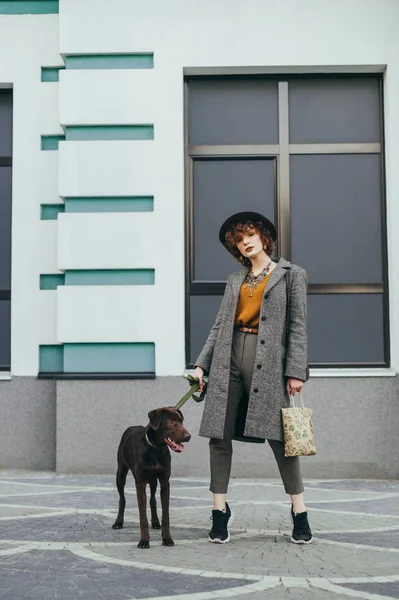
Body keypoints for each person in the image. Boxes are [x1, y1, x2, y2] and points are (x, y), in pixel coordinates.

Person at [193, 211, 312, 545]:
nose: (244, 242)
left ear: (263, 237)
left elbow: (298, 326)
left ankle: (299, 512)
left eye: (249, 235)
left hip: (270, 362)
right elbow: (220, 326)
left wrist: (295, 371)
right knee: (219, 435)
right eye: (238, 239)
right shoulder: (235, 280)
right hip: (229, 357)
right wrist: (202, 365)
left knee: (282, 440)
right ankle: (219, 512)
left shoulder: (292, 275)